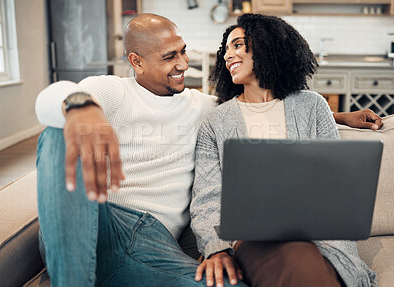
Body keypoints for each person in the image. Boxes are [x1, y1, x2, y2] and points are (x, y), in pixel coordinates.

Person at [35, 13, 380, 287]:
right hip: (104, 219)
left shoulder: (205, 108)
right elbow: (52, 100)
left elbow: (273, 108)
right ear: (136, 62)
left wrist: (340, 116)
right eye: (170, 57)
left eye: (183, 51)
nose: (184, 64)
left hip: (154, 246)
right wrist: (81, 104)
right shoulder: (109, 90)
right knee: (56, 133)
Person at [190, 14, 379, 287]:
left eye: (238, 45)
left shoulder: (312, 106)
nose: (228, 55)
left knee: (309, 260)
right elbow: (207, 201)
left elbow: (334, 183)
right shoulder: (215, 123)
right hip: (253, 238)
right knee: (295, 256)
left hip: (318, 234)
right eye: (226, 49)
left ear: (267, 45)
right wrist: (216, 247)